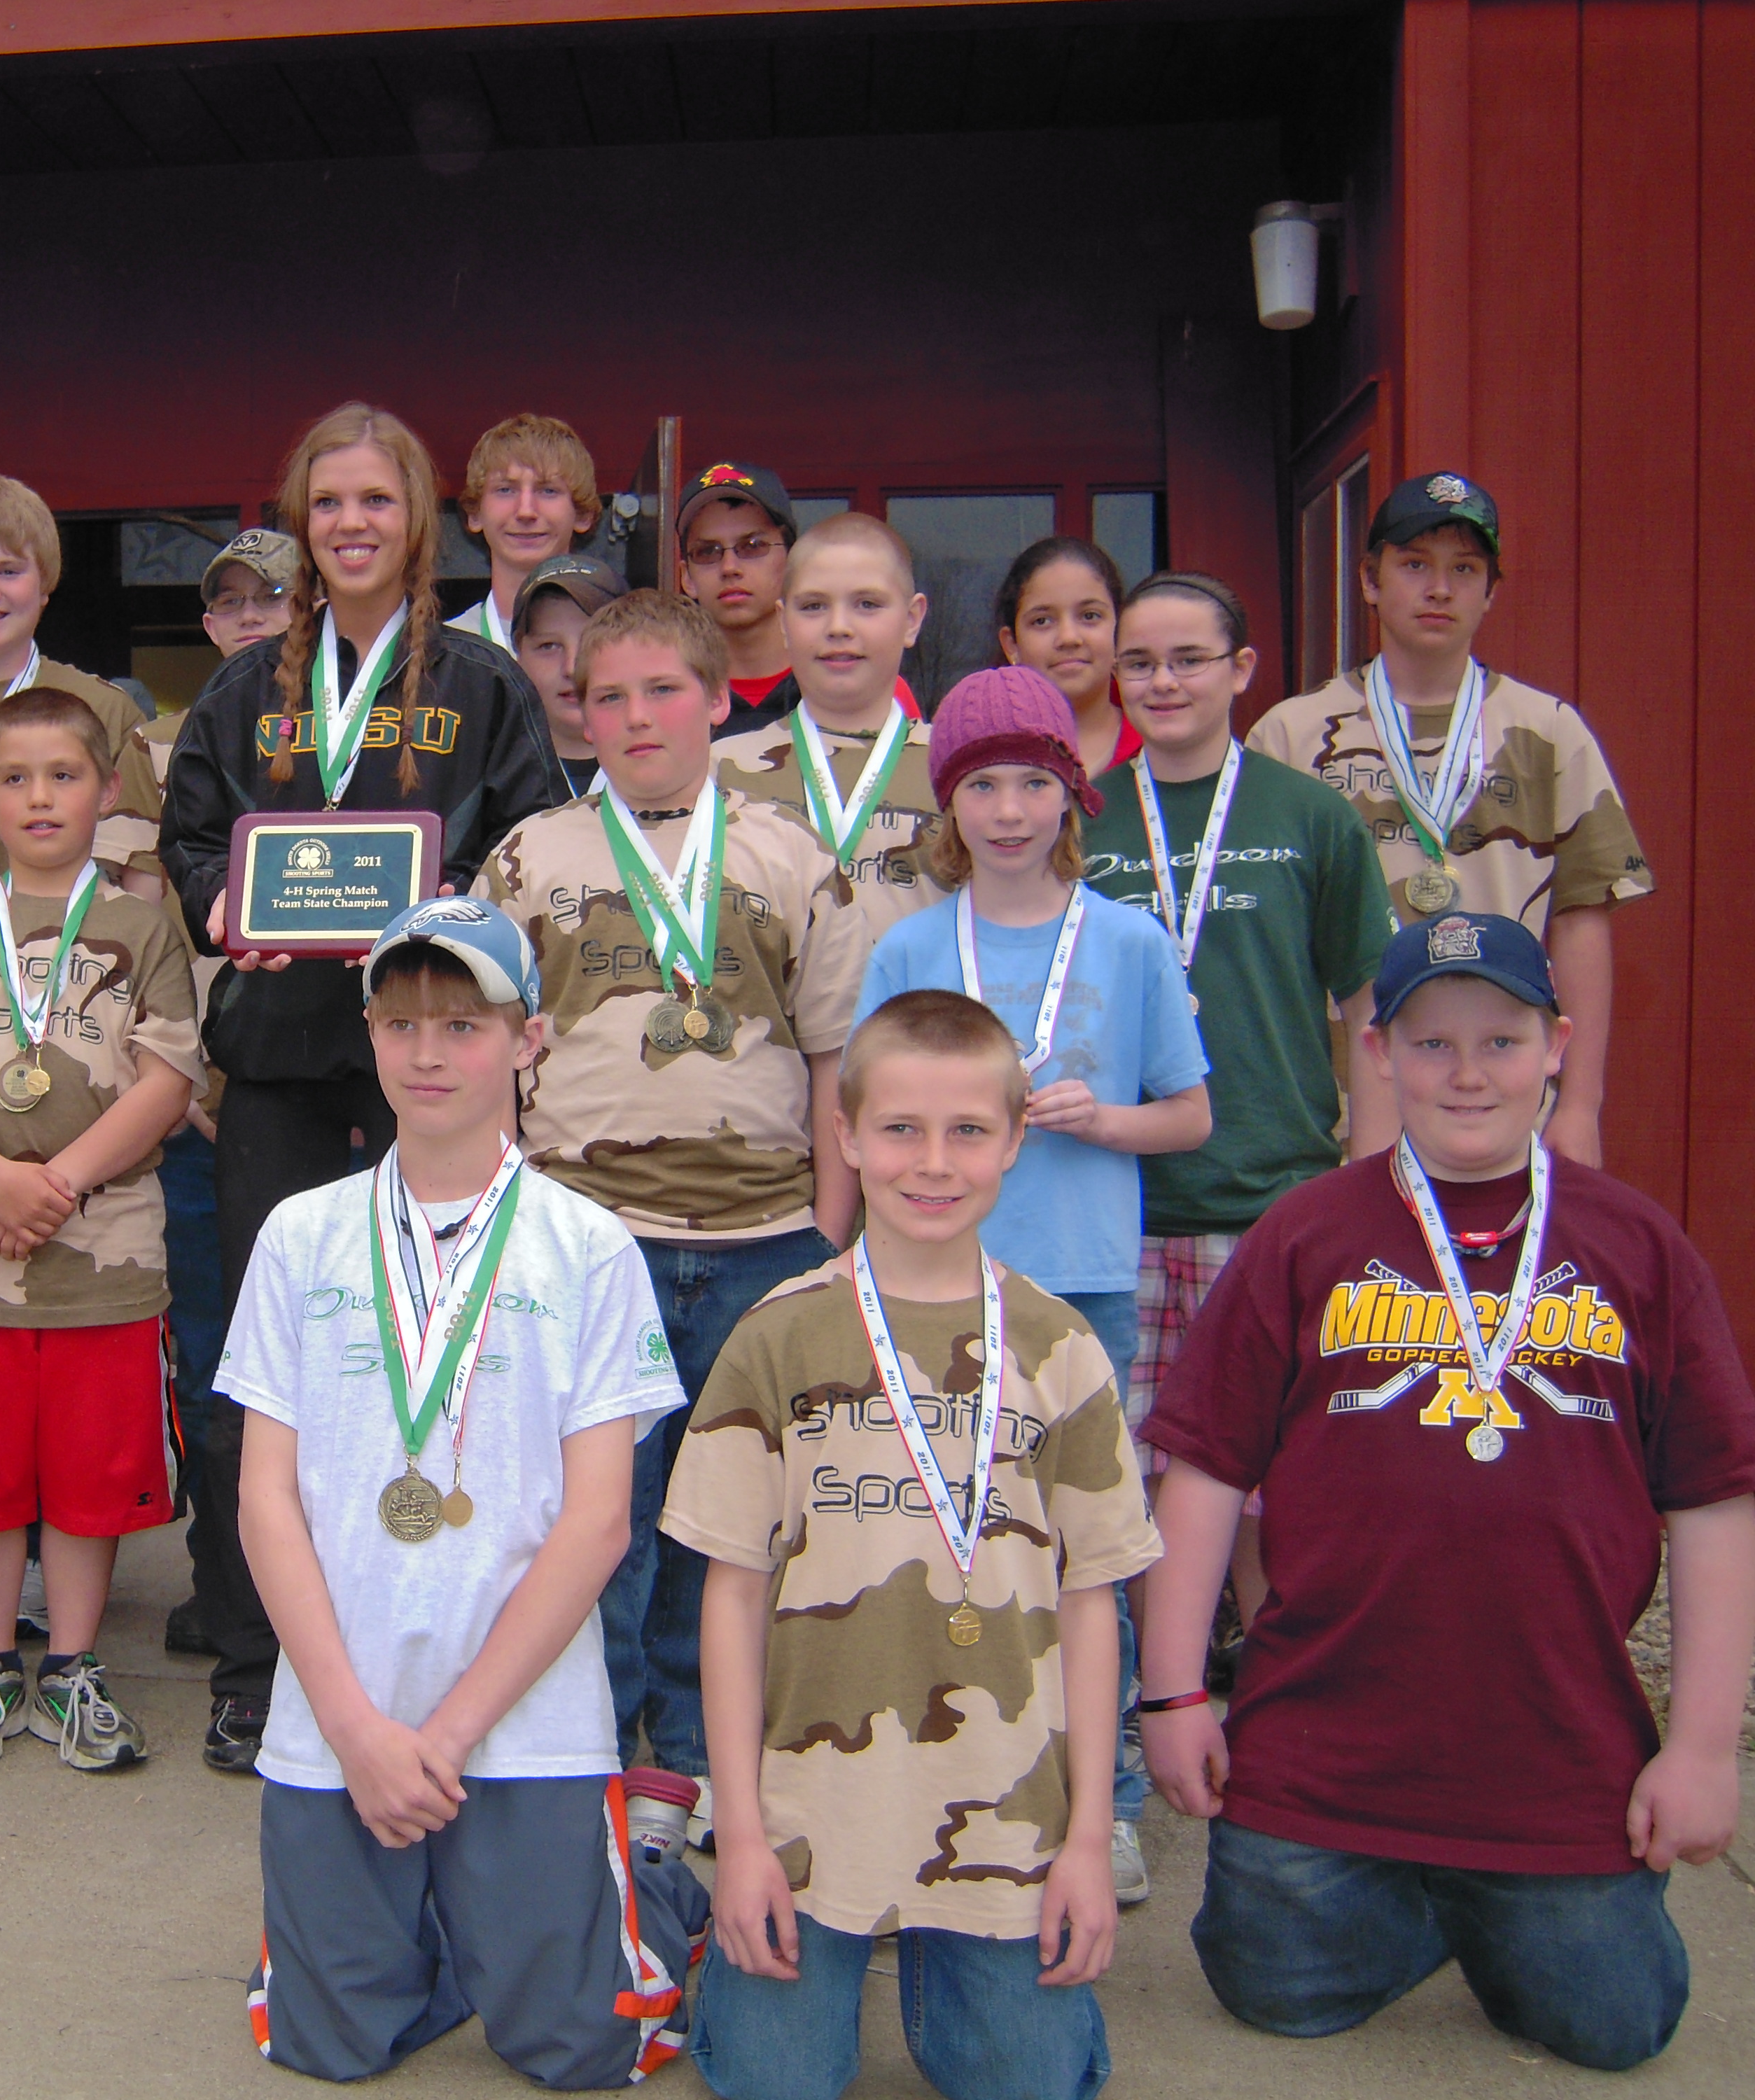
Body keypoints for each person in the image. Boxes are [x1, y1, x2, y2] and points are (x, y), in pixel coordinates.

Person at [1139, 913, 1755, 2073]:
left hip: (1557, 1752)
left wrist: (1706, 1746)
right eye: (1430, 1044)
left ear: (1558, 1045)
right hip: (1325, 1744)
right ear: (1377, 1054)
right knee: (1276, 1992)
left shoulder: (1638, 1246)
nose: (1467, 1074)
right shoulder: (1307, 1234)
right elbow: (1206, 1467)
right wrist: (1173, 1693)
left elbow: (1717, 1501)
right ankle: (1432, 1899)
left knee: (1614, 2027)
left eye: (1501, 1041)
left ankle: (1479, 1897)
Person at [225, 897, 706, 2085]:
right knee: (325, 2048)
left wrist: (441, 1737)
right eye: (401, 1023)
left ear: (529, 1039)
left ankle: (649, 1890)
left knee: (581, 2049)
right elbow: (265, 1502)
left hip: (522, 1716)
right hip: (341, 1717)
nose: (429, 1053)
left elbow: (601, 1525)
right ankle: (437, 1927)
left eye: (465, 1024)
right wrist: (351, 1726)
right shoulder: (302, 1233)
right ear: (371, 1036)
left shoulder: (587, 1245)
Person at [162, 399, 561, 1775]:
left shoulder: (483, 684)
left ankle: (429, 1634)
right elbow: (193, 835)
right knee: (269, 1367)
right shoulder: (239, 690)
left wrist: (453, 912)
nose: (349, 526)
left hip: (430, 1069)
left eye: (375, 503)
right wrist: (224, 908)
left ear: (416, 525)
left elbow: (522, 843)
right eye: (325, 504)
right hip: (276, 1059)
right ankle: (251, 1652)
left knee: (430, 1361)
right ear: (299, 524)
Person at [666, 990, 1161, 2100]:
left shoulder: (1058, 1347)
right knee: (771, 2084)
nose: (933, 1164)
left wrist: (1089, 1837)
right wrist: (739, 1835)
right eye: (899, 1130)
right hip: (809, 1816)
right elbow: (732, 1597)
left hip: (1009, 1810)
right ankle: (711, 1927)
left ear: (1016, 1141)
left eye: (968, 1132)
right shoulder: (777, 1337)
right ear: (844, 1135)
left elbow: (1094, 1604)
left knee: (1030, 2085)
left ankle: (955, 1956)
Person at [477, 587, 866, 1805]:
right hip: (590, 1239)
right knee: (602, 1511)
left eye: (663, 691)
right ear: (578, 716)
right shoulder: (532, 854)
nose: (638, 717)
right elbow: (494, 1048)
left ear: (717, 700)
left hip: (764, 1239)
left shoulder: (791, 856)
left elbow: (834, 1057)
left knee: (729, 1512)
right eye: (609, 697)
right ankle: (591, 1742)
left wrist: (834, 1231)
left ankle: (701, 1753)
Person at [1068, 572, 1399, 1900]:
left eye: (1188, 659)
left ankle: (1306, 1749)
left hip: (1276, 1198)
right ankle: (1145, 1758)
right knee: (1130, 1496)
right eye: (1138, 661)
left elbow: (1367, 1005)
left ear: (1244, 667)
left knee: (1291, 1493)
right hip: (1120, 1208)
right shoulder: (1084, 818)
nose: (1160, 682)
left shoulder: (1309, 815)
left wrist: (1373, 1186)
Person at [0, 688, 203, 1771]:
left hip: (105, 1250)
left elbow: (168, 1077)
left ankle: (70, 1668)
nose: (40, 796)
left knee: (86, 1468)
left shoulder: (142, 923)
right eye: (14, 778)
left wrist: (54, 1182)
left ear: (108, 792)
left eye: (65, 775)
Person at [1247, 473, 1649, 1168]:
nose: (1439, 589)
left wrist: (1580, 1107)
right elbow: (1262, 934)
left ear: (1491, 591)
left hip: (1497, 1098)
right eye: (1414, 565)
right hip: (1337, 1104)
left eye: (1464, 569)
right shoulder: (1288, 735)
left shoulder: (1548, 731)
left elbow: (1583, 916)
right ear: (1369, 582)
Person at [857, 664, 1210, 1401]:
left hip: (1084, 1278)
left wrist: (1101, 1120)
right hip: (933, 1272)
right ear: (948, 802)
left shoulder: (1131, 941)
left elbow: (1190, 1119)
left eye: (1034, 784)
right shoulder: (907, 950)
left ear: (1072, 795)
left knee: (1083, 1502)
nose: (1009, 812)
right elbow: (863, 1126)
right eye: (981, 787)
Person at [163, 529, 300, 1661]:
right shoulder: (187, 739)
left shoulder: (362, 732)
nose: (251, 618)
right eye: (230, 602)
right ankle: (230, 1604)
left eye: (276, 598)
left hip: (342, 1074)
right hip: (212, 1093)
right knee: (232, 1357)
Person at [0, 470, 168, 897]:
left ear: (45, 583)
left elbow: (139, 885)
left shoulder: (106, 711)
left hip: (63, 956)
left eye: (9, 571)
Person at [717, 513, 941, 941]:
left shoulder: (956, 769)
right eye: (814, 606)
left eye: (868, 605)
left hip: (922, 1009)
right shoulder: (719, 771)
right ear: (783, 622)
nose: (839, 627)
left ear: (912, 619)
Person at [449, 412, 601, 652]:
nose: (526, 511)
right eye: (506, 490)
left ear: (582, 514)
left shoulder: (614, 643)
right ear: (475, 514)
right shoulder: (443, 653)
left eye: (548, 491)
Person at [675, 462, 803, 741]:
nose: (730, 567)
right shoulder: (669, 698)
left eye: (753, 546)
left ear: (792, 560)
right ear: (687, 578)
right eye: (708, 551)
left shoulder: (836, 685)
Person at [997, 535, 1139, 774]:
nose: (1069, 638)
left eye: (1090, 616)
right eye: (1042, 621)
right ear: (1012, 645)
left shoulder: (1160, 745)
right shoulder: (980, 754)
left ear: (1122, 628)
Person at [510, 550, 626, 800]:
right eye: (549, 646)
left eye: (592, 642)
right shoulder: (500, 775)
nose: (572, 667)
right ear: (519, 657)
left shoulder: (670, 767)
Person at [200, 527, 299, 658]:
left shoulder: (331, 677)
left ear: (315, 610)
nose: (249, 617)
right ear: (211, 628)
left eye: (271, 597)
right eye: (230, 601)